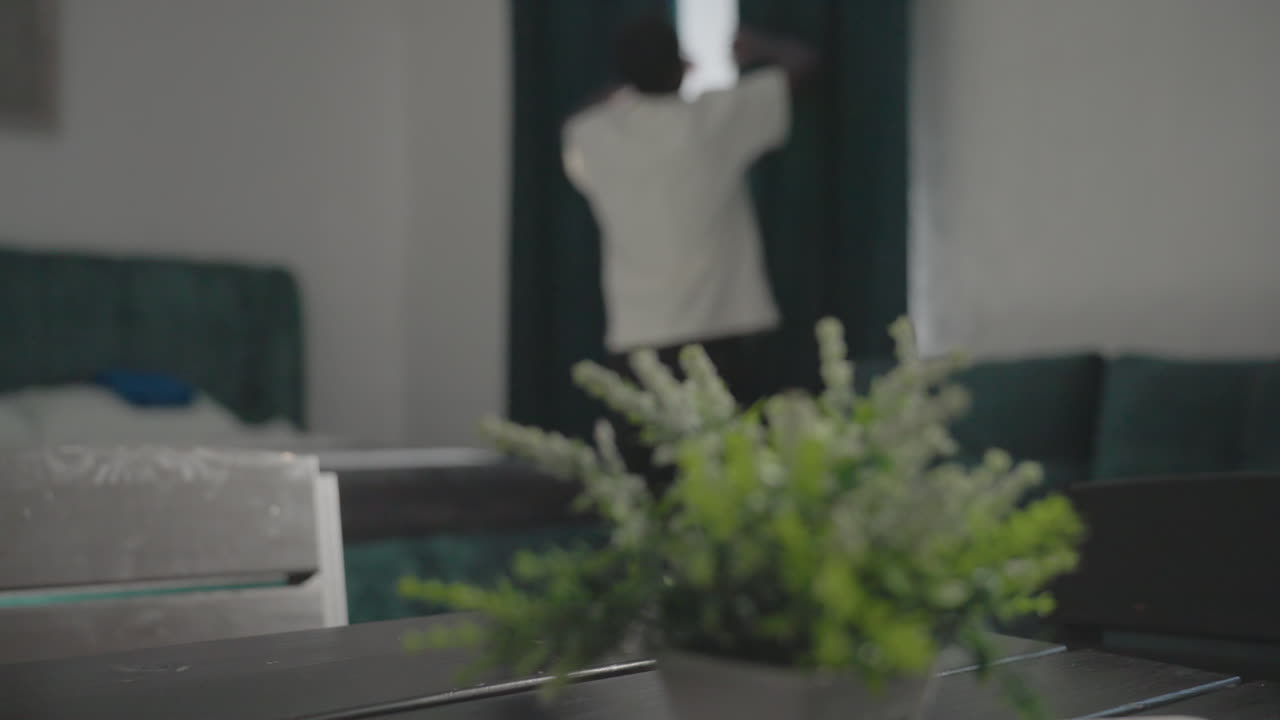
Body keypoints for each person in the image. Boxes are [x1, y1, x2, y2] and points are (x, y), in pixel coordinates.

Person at [562, 15, 816, 487]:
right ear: (683, 65)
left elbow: (579, 120)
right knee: (733, 480)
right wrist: (761, 46)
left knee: (648, 487)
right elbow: (802, 67)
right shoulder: (710, 123)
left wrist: (627, 84)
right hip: (721, 332)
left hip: (637, 339)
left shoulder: (593, 136)